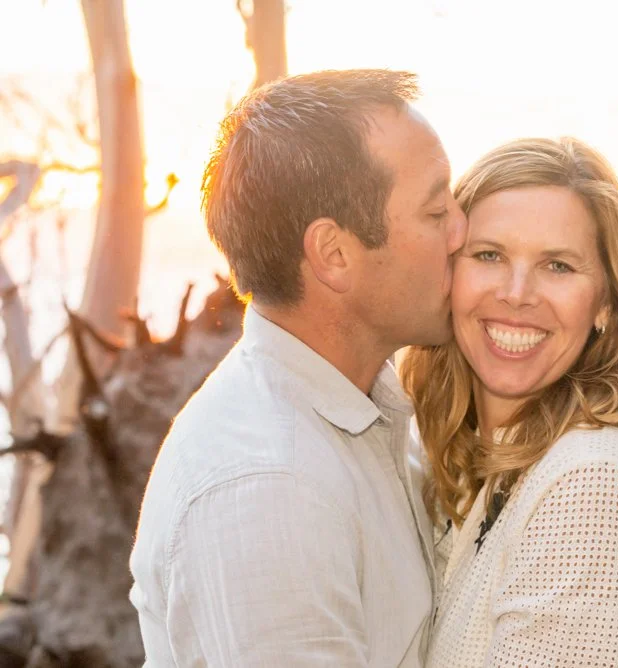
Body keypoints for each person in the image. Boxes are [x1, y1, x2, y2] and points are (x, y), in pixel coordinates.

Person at [129, 69, 467, 666]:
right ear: (334, 255)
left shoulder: (358, 412)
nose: (464, 232)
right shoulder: (267, 486)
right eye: (436, 211)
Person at [401, 137, 618, 667]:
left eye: (558, 266)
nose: (518, 292)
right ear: (448, 275)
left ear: (606, 303)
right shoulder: (487, 469)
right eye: (489, 255)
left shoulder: (595, 486)